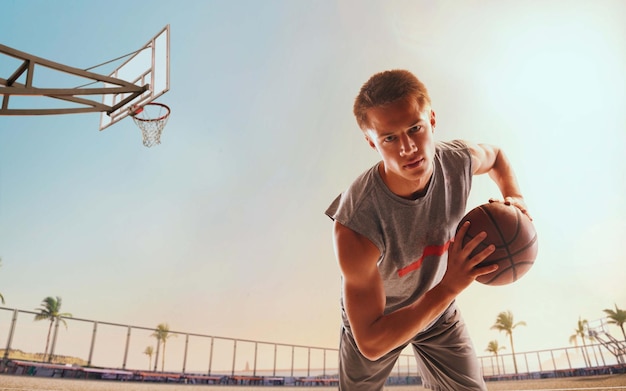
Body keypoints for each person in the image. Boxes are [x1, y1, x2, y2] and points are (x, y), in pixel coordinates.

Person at [325, 69, 530, 390]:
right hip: (383, 320)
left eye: (415, 128)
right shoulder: (356, 224)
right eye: (389, 138)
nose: (407, 148)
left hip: (439, 315)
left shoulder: (458, 160)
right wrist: (450, 287)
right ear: (371, 141)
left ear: (432, 120)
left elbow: (497, 156)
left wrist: (514, 197)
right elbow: (371, 342)